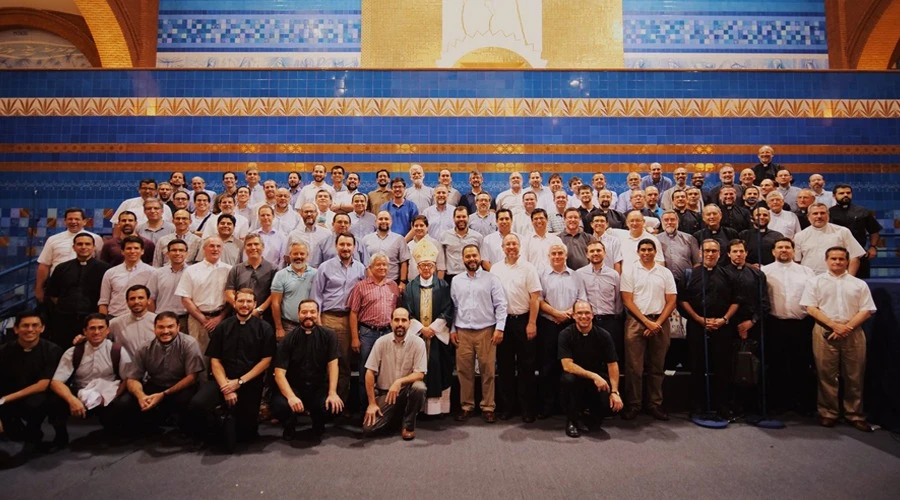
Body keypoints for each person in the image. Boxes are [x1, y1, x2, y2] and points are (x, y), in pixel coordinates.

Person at [800, 247, 877, 432]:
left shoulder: (859, 284)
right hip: (824, 331)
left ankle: (854, 414)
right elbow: (810, 307)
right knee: (826, 374)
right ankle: (828, 413)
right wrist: (834, 326)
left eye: (841, 259)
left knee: (855, 375)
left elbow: (867, 309)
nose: (837, 262)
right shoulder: (815, 282)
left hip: (853, 332)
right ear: (826, 260)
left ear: (847, 261)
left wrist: (846, 328)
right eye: (833, 259)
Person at [190, 290, 275, 451]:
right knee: (198, 403)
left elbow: (266, 361)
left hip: (248, 382)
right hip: (221, 380)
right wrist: (225, 386)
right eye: (241, 301)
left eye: (249, 301)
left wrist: (239, 382)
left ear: (255, 304)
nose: (245, 305)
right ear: (234, 303)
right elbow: (215, 360)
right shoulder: (223, 327)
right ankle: (211, 431)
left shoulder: (264, 328)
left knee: (246, 434)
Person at [679, 240, 739, 418]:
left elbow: (736, 300)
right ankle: (697, 406)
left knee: (722, 368)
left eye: (714, 251)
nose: (710, 254)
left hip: (722, 327)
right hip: (697, 325)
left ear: (720, 254)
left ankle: (722, 406)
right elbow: (682, 300)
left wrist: (724, 319)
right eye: (707, 251)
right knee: (697, 366)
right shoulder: (690, 274)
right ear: (700, 253)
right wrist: (699, 319)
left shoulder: (728, 275)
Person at [620, 239, 677, 421]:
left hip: (660, 322)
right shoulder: (629, 272)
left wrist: (657, 323)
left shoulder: (665, 273)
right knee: (634, 368)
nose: (646, 252)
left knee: (657, 367)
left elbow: (671, 300)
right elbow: (627, 300)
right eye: (643, 249)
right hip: (636, 322)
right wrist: (646, 322)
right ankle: (634, 405)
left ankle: (655, 405)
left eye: (649, 249)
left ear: (655, 252)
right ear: (638, 252)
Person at [272, 299, 344, 440]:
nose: (308, 315)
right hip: (295, 388)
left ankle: (318, 423)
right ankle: (289, 425)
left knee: (331, 405)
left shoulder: (329, 336)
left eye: (312, 312)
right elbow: (279, 374)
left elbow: (333, 366)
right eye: (304, 312)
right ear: (298, 314)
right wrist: (291, 397)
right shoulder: (288, 339)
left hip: (318, 388)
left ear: (318, 314)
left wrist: (333, 392)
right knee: (280, 406)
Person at [49, 314, 132, 435]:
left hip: (108, 393)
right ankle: (60, 436)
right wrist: (72, 400)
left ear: (107, 330)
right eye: (92, 328)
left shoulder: (117, 350)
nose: (97, 332)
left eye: (101, 328)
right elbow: (56, 382)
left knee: (125, 402)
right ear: (85, 331)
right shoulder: (73, 352)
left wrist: (113, 396)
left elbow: (127, 378)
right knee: (54, 400)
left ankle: (114, 432)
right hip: (81, 393)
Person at [451, 245, 508, 423]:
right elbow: (453, 307)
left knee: (488, 371)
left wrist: (500, 328)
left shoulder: (491, 279)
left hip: (486, 331)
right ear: (463, 259)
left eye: (474, 255)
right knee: (464, 371)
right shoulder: (456, 280)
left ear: (479, 257)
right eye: (467, 256)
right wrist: (453, 329)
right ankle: (467, 406)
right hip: (463, 331)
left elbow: (501, 304)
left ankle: (488, 407)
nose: (471, 259)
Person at [124, 312, 204, 434]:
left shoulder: (189, 344)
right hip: (156, 384)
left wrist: (163, 394)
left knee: (189, 402)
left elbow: (192, 377)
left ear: (178, 327)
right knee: (124, 403)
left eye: (170, 327)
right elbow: (132, 378)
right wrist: (141, 396)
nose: (165, 331)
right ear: (154, 328)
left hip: (181, 387)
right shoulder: (145, 348)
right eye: (161, 327)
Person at [490, 233, 542, 422]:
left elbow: (535, 297)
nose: (511, 247)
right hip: (503, 322)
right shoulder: (495, 269)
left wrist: (532, 322)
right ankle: (507, 407)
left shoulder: (528, 268)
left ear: (519, 246)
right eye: (507, 244)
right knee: (504, 367)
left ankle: (527, 408)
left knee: (527, 366)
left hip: (524, 321)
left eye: (514, 244)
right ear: (502, 247)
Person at [762, 238, 817, 414]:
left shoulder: (807, 272)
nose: (783, 250)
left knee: (802, 364)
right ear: (773, 251)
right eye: (780, 247)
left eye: (787, 247)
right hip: (775, 324)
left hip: (802, 325)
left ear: (793, 251)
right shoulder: (765, 271)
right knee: (776, 365)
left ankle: (802, 404)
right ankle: (778, 404)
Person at [312, 232, 367, 406]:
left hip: (348, 320)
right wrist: (318, 321)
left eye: (348, 245)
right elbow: (316, 295)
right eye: (342, 244)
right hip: (328, 318)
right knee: (323, 362)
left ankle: (339, 404)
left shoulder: (361, 269)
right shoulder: (325, 267)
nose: (345, 248)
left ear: (354, 247)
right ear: (336, 246)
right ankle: (320, 403)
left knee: (343, 363)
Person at [402, 240, 455, 417]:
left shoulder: (443, 286)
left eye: (429, 265)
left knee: (438, 369)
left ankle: (437, 409)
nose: (426, 269)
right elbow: (407, 312)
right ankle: (418, 407)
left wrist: (432, 328)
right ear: (417, 267)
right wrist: (421, 329)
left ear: (434, 267)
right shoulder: (410, 287)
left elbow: (448, 309)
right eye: (423, 265)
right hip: (417, 337)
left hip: (437, 337)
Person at [0, 311, 65, 451]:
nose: (30, 329)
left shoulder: (52, 350)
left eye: (35, 325)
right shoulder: (4, 351)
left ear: (42, 328)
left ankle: (56, 434)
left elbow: (42, 385)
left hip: (39, 396)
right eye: (25, 325)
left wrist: (4, 399)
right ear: (16, 329)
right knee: (14, 434)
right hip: (11, 394)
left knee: (40, 403)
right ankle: (25, 432)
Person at [558, 300, 624, 438]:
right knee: (568, 379)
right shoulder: (565, 334)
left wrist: (615, 392)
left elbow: (612, 364)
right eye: (580, 313)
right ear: (574, 316)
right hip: (576, 377)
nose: (584, 316)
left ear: (593, 315)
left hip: (597, 378)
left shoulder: (604, 335)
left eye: (587, 313)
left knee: (607, 408)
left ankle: (590, 411)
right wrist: (594, 376)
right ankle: (572, 420)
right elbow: (567, 365)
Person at [362, 308, 427, 440]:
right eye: (396, 320)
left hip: (406, 391)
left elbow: (420, 374)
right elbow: (369, 372)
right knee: (369, 428)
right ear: (391, 322)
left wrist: (399, 382)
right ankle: (397, 417)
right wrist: (372, 404)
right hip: (386, 394)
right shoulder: (381, 342)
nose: (400, 324)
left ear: (409, 323)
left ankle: (408, 425)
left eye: (404, 320)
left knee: (419, 387)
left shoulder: (418, 343)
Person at [537, 244, 586, 419]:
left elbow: (581, 299)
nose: (557, 256)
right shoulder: (541, 275)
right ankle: (547, 405)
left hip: (570, 325)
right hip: (548, 325)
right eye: (553, 254)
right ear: (548, 256)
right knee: (547, 367)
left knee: (571, 367)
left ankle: (569, 406)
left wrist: (567, 314)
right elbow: (538, 300)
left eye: (560, 253)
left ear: (566, 255)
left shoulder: (576, 276)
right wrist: (556, 313)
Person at [723, 239, 770, 415]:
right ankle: (731, 405)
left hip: (753, 325)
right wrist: (734, 324)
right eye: (734, 251)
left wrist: (752, 322)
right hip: (729, 326)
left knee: (753, 366)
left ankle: (752, 406)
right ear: (728, 254)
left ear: (746, 253)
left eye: (741, 251)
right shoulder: (723, 273)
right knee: (730, 366)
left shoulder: (757, 274)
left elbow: (764, 302)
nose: (738, 254)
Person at [348, 253, 402, 405]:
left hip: (387, 333)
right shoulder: (361, 286)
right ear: (370, 268)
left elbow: (397, 310)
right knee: (366, 372)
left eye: (385, 264)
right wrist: (354, 338)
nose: (382, 267)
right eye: (378, 264)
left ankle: (386, 408)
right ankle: (365, 409)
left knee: (388, 371)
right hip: (368, 334)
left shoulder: (393, 286)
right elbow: (353, 313)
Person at [44, 232, 110, 346]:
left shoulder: (105, 269)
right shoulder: (62, 268)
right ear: (73, 247)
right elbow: (53, 294)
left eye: (87, 244)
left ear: (94, 247)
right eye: (80, 244)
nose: (83, 247)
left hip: (91, 319)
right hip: (64, 319)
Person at [35, 208, 103, 304]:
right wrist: (39, 288)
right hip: (59, 287)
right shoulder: (53, 239)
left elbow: (99, 261)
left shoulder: (96, 239)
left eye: (77, 219)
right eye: (70, 219)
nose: (73, 222)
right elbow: (44, 265)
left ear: (84, 221)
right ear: (65, 221)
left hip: (87, 287)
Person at [176, 236, 232, 352]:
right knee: (199, 357)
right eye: (211, 246)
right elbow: (185, 298)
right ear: (204, 248)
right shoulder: (191, 270)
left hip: (222, 319)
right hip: (197, 320)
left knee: (221, 354)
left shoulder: (230, 270)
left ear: (222, 249)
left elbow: (232, 298)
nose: (215, 249)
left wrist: (219, 318)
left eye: (218, 246)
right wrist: (203, 319)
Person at [576, 240, 624, 360]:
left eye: (598, 250)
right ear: (587, 254)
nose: (595, 253)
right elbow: (581, 298)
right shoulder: (579, 274)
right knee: (590, 357)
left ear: (605, 253)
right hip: (588, 322)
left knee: (611, 357)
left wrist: (615, 317)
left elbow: (618, 299)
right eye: (592, 251)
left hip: (610, 321)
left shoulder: (614, 274)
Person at [794, 203, 866, 275]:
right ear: (808, 216)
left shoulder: (842, 231)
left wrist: (849, 280)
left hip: (837, 279)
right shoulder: (799, 236)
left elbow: (854, 257)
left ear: (828, 215)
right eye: (815, 213)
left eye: (822, 213)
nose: (819, 216)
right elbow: (796, 262)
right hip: (809, 279)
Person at [829, 184, 882, 279]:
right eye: (841, 193)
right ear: (834, 196)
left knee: (860, 285)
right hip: (835, 256)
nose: (845, 195)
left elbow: (874, 230)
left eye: (848, 193)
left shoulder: (862, 211)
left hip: (860, 254)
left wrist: (873, 247)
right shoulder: (828, 213)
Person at [225, 233, 276, 324]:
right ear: (245, 249)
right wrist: (241, 307)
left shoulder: (273, 269)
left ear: (263, 247)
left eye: (256, 244)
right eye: (249, 245)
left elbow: (274, 294)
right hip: (239, 318)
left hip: (264, 318)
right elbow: (229, 292)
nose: (253, 247)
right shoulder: (236, 269)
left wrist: (259, 310)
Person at [98, 235, 154, 318]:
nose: (132, 251)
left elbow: (153, 301)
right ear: (122, 251)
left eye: (136, 248)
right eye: (128, 248)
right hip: (114, 317)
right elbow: (103, 302)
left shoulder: (152, 273)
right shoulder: (110, 273)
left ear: (142, 251)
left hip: (142, 318)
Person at [271, 242, 317, 340]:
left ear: (307, 256)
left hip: (312, 325)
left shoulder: (316, 274)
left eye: (302, 254)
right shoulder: (280, 275)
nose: (298, 257)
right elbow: (275, 303)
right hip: (288, 326)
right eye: (295, 254)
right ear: (290, 255)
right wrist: (279, 328)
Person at [147, 238, 190, 333]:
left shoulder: (193, 273)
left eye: (181, 250)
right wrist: (154, 318)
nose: (177, 253)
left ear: (187, 253)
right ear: (167, 254)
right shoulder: (157, 273)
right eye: (174, 250)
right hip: (162, 318)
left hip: (185, 319)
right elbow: (151, 299)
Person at [361, 211, 411, 284]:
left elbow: (404, 262)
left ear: (391, 221)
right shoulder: (366, 239)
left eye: (386, 219)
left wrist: (402, 282)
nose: (383, 221)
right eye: (380, 219)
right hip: (371, 282)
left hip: (393, 281)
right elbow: (364, 262)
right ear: (376, 222)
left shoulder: (399, 239)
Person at [108, 285, 157, 357]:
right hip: (126, 367)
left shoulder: (158, 321)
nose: (136, 301)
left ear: (148, 300)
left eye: (140, 298)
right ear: (127, 302)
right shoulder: (115, 323)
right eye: (132, 299)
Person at [440, 205, 484, 283]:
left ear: (468, 218)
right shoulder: (444, 236)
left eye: (464, 217)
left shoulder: (478, 237)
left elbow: (481, 258)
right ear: (453, 219)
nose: (461, 219)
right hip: (451, 277)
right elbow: (441, 260)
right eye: (458, 217)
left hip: (472, 276)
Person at [657, 211, 700, 289]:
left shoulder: (690, 239)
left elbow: (697, 262)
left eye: (672, 219)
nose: (669, 222)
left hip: (686, 282)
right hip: (664, 282)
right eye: (666, 220)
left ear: (677, 221)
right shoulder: (656, 239)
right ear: (662, 222)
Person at [407, 215, 447, 281]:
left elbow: (441, 268)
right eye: (416, 226)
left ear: (427, 227)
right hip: (413, 283)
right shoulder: (409, 245)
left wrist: (439, 286)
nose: (419, 228)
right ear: (412, 227)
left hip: (431, 283)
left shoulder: (435, 244)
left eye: (421, 225)